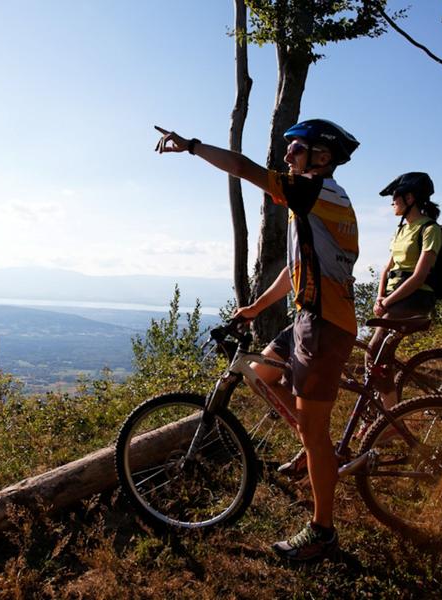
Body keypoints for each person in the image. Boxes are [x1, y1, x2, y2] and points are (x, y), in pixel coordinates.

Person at [155, 119, 360, 561]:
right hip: (310, 317)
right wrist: (254, 308)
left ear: (321, 157)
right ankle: (311, 445)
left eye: (297, 148)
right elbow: (294, 270)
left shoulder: (313, 190)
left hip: (323, 325)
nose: (287, 155)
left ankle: (323, 531)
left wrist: (192, 146)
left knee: (315, 433)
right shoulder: (318, 202)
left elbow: (244, 167)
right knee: (261, 372)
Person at [367, 172, 442, 411]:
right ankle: (376, 413)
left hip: (416, 298)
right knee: (380, 357)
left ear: (410, 198)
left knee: (374, 352)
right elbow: (387, 269)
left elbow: (419, 276)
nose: (392, 202)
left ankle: (390, 418)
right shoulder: (401, 231)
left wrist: (387, 301)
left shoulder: (430, 230)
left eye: (395, 197)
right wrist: (380, 297)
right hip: (393, 300)